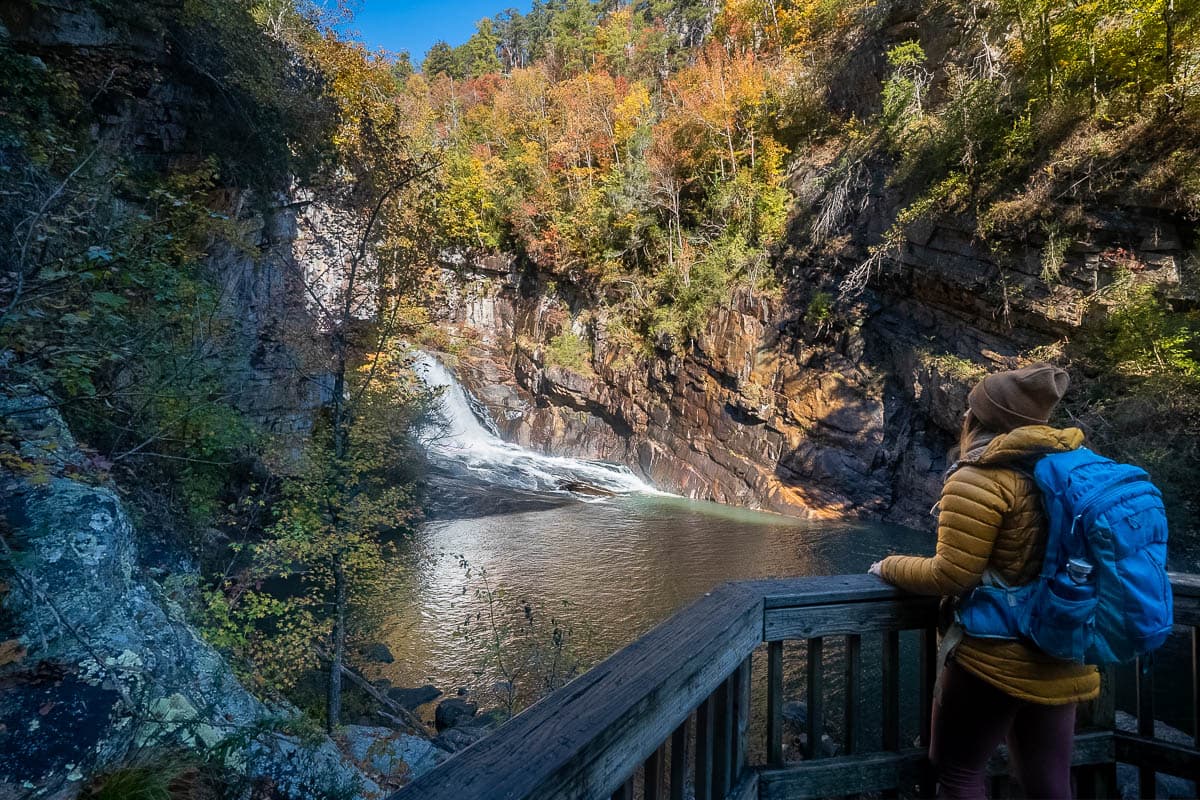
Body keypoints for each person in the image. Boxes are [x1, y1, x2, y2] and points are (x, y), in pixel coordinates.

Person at [869, 364, 1099, 799]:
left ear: (979, 418)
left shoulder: (978, 479)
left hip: (994, 655)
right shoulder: (1071, 475)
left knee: (957, 774)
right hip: (1063, 645)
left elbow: (952, 574)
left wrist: (888, 566)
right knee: (1048, 783)